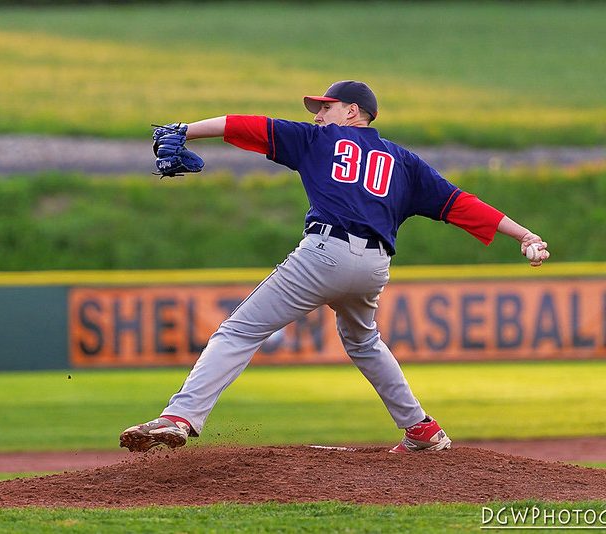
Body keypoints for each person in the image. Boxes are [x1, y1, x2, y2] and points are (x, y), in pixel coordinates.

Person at [120, 80, 550, 454]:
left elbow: (242, 124)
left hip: (325, 253)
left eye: (326, 107)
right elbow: (462, 205)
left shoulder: (318, 140)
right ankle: (421, 428)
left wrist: (185, 131)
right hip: (374, 268)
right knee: (363, 342)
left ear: (353, 112)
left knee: (239, 330)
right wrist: (524, 235)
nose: (319, 115)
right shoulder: (404, 161)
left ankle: (179, 417)